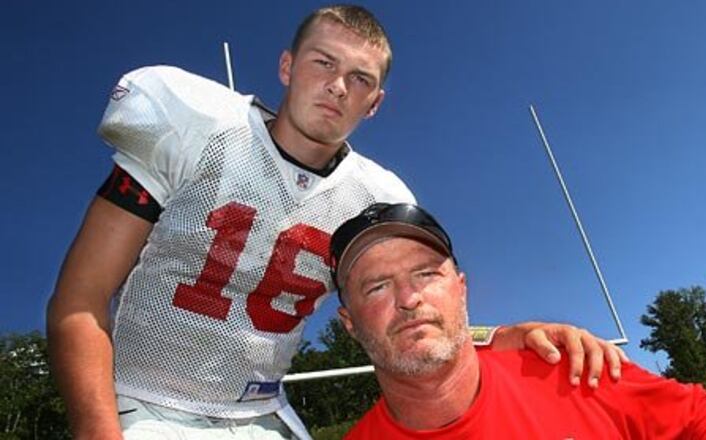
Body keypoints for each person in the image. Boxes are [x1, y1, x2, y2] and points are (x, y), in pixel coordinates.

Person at [47, 5, 625, 440]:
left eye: (361, 78)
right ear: (287, 65)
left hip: (261, 414)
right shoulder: (198, 128)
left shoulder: (377, 196)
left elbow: (401, 312)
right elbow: (80, 298)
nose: (337, 86)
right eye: (324, 62)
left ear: (374, 103)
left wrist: (498, 336)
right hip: (145, 403)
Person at [332, 202, 706, 439]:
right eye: (377, 287)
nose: (409, 298)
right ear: (349, 323)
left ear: (461, 288)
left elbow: (696, 415)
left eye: (426, 274)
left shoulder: (567, 369)